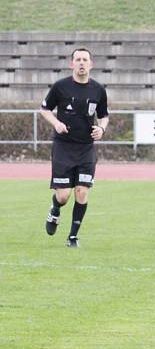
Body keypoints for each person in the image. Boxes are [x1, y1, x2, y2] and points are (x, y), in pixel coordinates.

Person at [41, 48, 109, 248]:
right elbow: (44, 109)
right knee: (63, 196)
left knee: (82, 192)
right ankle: (55, 208)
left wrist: (102, 129)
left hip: (86, 148)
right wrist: (56, 123)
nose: (81, 63)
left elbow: (104, 116)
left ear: (91, 64)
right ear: (72, 64)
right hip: (63, 147)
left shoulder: (98, 90)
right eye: (77, 59)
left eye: (85, 60)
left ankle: (72, 237)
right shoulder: (60, 87)